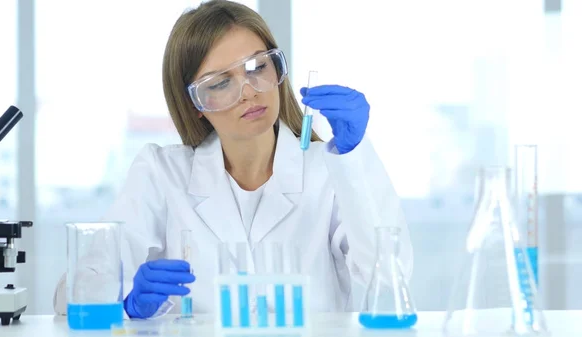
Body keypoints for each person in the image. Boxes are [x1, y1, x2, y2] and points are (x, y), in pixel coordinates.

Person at [53, 0, 413, 319]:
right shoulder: (162, 174)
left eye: (258, 68)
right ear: (194, 105)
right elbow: (72, 293)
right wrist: (125, 302)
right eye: (220, 82)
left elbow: (389, 283)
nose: (249, 92)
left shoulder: (330, 170)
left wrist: (354, 159)